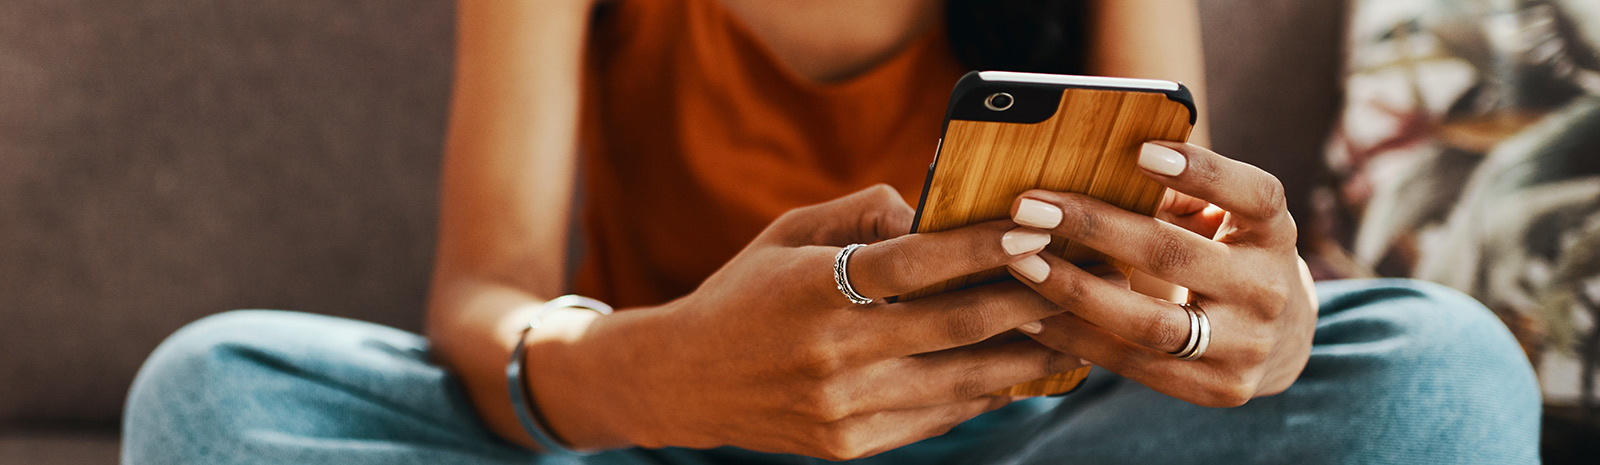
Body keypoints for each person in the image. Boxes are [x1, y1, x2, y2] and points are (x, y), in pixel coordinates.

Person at [121, 0, 1542, 463]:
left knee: (1444, 367)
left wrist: (1252, 313)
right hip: (664, 422)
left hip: (1019, 436)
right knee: (213, 387)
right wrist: (655, 369)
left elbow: (1163, 240)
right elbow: (489, 287)